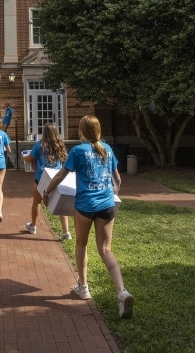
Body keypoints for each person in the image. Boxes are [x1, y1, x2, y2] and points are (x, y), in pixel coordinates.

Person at [42, 115, 133, 319]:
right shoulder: (107, 150)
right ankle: (122, 292)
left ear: (82, 131)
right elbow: (117, 178)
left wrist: (46, 192)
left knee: (81, 245)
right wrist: (114, 191)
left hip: (85, 206)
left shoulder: (78, 151)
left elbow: (60, 176)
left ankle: (83, 287)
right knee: (106, 250)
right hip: (107, 206)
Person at [22, 123, 71, 239]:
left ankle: (33, 226)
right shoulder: (60, 145)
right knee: (61, 205)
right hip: (56, 179)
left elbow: (30, 158)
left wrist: (23, 157)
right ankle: (66, 232)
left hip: (41, 179)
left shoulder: (39, 145)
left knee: (36, 202)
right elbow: (66, 159)